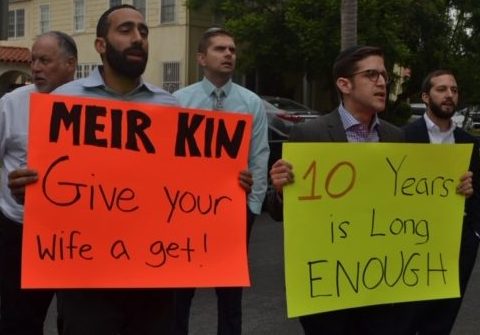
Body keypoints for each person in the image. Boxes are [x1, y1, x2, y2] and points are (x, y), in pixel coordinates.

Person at [265, 46, 474, 335]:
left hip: (381, 287)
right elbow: (278, 210)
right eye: (371, 74)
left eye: (385, 76)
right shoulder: (310, 135)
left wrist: (454, 191)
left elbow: (411, 202)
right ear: (344, 84)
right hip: (329, 288)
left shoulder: (394, 136)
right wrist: (279, 189)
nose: (382, 83)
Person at [7, 5, 177, 335]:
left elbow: (186, 186)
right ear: (101, 45)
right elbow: (50, 185)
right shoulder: (62, 101)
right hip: (85, 278)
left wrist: (229, 184)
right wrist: (26, 187)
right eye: (126, 30)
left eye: (143, 31)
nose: (138, 38)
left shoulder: (168, 107)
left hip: (152, 275)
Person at [172, 27, 269, 335]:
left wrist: (251, 210)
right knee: (179, 293)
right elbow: (168, 160)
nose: (229, 54)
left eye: (232, 50)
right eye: (220, 49)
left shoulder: (251, 103)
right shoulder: (179, 101)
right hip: (186, 210)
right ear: (201, 58)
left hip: (233, 211)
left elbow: (259, 158)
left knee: (229, 294)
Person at [0, 31, 77, 335]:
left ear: (70, 64)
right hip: (18, 231)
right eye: (33, 60)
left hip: (76, 236)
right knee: (19, 319)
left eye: (45, 60)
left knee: (75, 319)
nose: (35, 68)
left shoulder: (94, 107)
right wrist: (11, 183)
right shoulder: (11, 104)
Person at [401, 69, 480, 334]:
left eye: (454, 90)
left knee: (443, 319)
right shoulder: (404, 137)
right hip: (412, 242)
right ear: (426, 96)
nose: (449, 95)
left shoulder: (470, 143)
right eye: (442, 89)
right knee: (408, 317)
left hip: (457, 245)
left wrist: (471, 196)